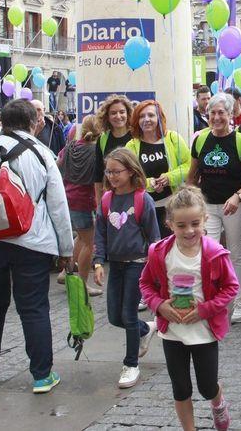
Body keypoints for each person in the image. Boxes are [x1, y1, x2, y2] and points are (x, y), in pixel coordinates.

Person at [0, 99, 73, 393]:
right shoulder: (42, 154)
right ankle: (42, 376)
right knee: (33, 308)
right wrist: (66, 250)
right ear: (34, 122)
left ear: (2, 122)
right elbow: (58, 205)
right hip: (31, 242)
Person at [139, 187, 238, 431]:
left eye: (195, 223)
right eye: (181, 225)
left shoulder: (215, 253)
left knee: (206, 386)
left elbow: (231, 287)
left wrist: (205, 309)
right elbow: (146, 283)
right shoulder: (159, 251)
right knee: (181, 388)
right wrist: (160, 305)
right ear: (170, 224)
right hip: (172, 330)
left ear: (205, 219)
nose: (189, 230)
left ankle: (217, 402)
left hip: (204, 330)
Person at [93, 147, 160, 388]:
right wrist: (98, 261)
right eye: (108, 172)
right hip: (116, 265)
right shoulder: (107, 199)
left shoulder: (143, 199)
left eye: (116, 172)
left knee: (128, 315)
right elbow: (100, 232)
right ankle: (145, 330)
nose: (111, 176)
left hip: (137, 264)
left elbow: (154, 238)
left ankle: (131, 364)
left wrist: (155, 270)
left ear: (131, 171)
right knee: (114, 316)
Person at [186, 94, 241, 324]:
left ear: (230, 114)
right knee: (208, 253)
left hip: (234, 206)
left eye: (221, 112)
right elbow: (192, 176)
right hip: (208, 205)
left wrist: (238, 196)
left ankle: (240, 301)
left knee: (236, 252)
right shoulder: (201, 140)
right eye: (213, 112)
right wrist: (191, 201)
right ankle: (212, 299)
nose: (216, 117)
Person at [56, 114, 103, 296]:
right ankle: (81, 286)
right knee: (90, 243)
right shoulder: (95, 151)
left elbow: (57, 165)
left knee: (81, 238)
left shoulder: (70, 147)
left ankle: (63, 274)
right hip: (84, 201)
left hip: (68, 198)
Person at [126, 99, 190, 225]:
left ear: (159, 117)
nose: (146, 119)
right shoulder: (131, 145)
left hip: (173, 208)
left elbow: (189, 166)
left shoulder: (173, 138)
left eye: (151, 115)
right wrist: (150, 183)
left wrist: (169, 178)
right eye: (141, 116)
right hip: (143, 209)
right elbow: (129, 176)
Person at [94, 94, 135, 203]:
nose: (118, 116)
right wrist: (99, 203)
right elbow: (98, 174)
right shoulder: (103, 139)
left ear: (128, 113)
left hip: (135, 196)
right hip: (112, 197)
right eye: (113, 113)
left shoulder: (136, 136)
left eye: (122, 112)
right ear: (107, 116)